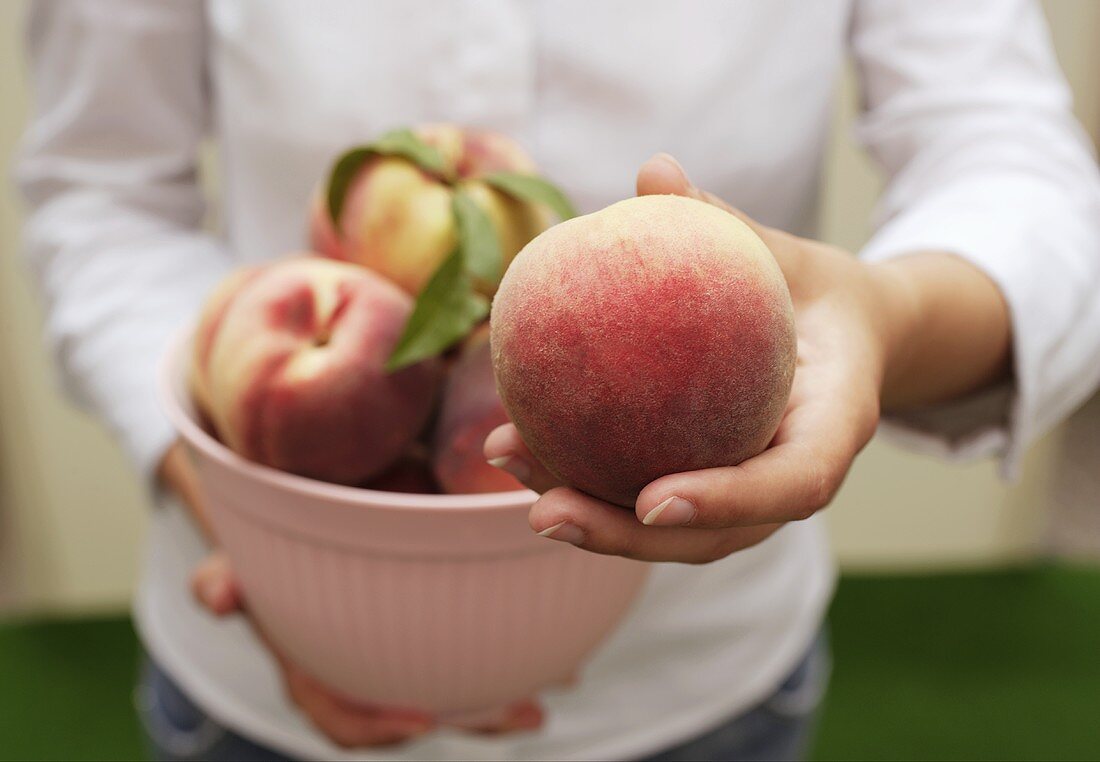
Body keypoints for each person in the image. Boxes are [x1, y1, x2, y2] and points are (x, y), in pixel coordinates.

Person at [17, 1, 1100, 760]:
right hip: (267, 658)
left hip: (690, 670)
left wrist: (888, 314)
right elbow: (99, 190)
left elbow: (1007, 154)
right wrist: (271, 556)